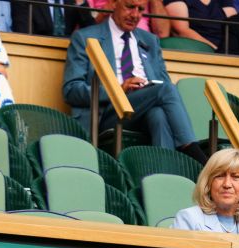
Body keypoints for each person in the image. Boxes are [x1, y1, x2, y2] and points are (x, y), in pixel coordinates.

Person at [63, 0, 207, 158]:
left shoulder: (150, 41)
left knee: (158, 114)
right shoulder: (85, 37)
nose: (135, 15)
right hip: (107, 113)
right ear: (113, 4)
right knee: (166, 89)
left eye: (140, 9)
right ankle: (193, 152)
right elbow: (71, 91)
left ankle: (163, 175)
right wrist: (119, 89)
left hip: (143, 108)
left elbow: (162, 81)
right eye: (130, 7)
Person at [172, 148, 239, 234]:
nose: (227, 184)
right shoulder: (188, 218)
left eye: (235, 177)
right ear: (208, 183)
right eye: (220, 176)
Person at [162, 0, 236, 51]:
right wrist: (215, 49)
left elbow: (234, 28)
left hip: (224, 49)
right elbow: (181, 31)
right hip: (197, 48)